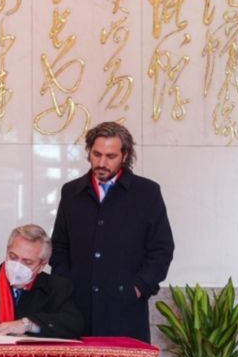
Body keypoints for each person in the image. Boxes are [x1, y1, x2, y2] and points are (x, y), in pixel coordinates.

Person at [50, 122, 174, 343]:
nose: (102, 163)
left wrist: (138, 288)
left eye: (110, 156)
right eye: (97, 154)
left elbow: (162, 249)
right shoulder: (71, 192)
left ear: (124, 156)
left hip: (125, 309)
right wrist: (67, 286)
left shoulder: (146, 192)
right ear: (89, 152)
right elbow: (59, 246)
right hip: (78, 310)